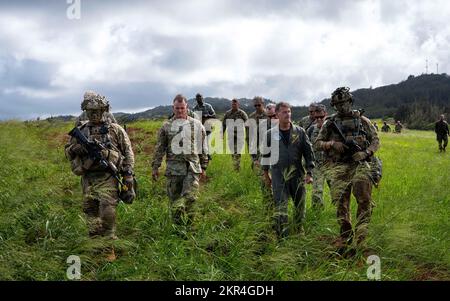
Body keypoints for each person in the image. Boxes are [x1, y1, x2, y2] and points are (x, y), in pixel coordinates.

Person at [65, 91, 135, 260]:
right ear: (85, 111)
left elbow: (128, 152)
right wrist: (75, 149)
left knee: (107, 211)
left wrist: (128, 176)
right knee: (90, 211)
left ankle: (109, 246)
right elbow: (68, 153)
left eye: (98, 110)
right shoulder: (80, 130)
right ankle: (94, 245)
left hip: (108, 177)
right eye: (91, 111)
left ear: (104, 110)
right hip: (88, 178)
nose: (95, 114)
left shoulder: (115, 130)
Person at [315, 87, 380, 256]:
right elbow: (317, 143)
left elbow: (375, 141)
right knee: (341, 205)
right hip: (339, 168)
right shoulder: (330, 123)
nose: (341, 107)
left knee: (364, 202)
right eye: (337, 104)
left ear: (350, 102)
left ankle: (361, 237)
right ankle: (345, 236)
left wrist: (365, 153)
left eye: (343, 103)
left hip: (360, 167)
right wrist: (332, 144)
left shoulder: (363, 120)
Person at [152, 94, 209, 227]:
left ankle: (190, 227)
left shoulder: (196, 125)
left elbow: (203, 147)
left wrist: (204, 166)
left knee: (191, 199)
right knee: (175, 202)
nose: (179, 111)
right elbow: (160, 148)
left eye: (182, 108)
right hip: (174, 170)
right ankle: (178, 230)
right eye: (177, 108)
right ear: (173, 108)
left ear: (186, 107)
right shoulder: (166, 126)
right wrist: (155, 167)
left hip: (192, 168)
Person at [261, 102, 315, 238]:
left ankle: (298, 231)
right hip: (278, 175)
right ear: (277, 114)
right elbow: (265, 155)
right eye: (284, 112)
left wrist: (309, 172)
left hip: (297, 174)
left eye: (289, 111)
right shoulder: (270, 134)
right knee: (281, 205)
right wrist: (266, 175)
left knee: (300, 204)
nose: (288, 114)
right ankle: (282, 236)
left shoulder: (300, 132)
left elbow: (309, 154)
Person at [246, 96, 273, 209]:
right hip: (259, 153)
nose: (257, 107)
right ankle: (268, 205)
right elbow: (249, 138)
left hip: (273, 151)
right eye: (255, 105)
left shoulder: (270, 116)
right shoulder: (251, 118)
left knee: (276, 179)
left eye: (259, 105)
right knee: (264, 179)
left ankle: (278, 204)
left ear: (263, 104)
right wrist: (253, 157)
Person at [306, 104, 331, 210]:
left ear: (326, 115)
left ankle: (342, 215)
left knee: (338, 190)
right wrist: (308, 171)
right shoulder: (311, 130)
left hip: (332, 164)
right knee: (317, 192)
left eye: (321, 117)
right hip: (317, 166)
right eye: (316, 117)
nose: (319, 119)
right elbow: (307, 151)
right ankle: (317, 214)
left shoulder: (333, 128)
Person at [222, 99, 248, 171]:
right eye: (233, 104)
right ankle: (235, 166)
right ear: (231, 105)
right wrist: (222, 134)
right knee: (232, 151)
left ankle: (237, 168)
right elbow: (223, 124)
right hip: (230, 135)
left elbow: (247, 124)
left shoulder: (242, 113)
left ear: (238, 105)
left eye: (235, 104)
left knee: (238, 151)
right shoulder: (228, 113)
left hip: (240, 135)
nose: (234, 105)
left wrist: (248, 135)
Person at [193, 93, 216, 160]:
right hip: (198, 128)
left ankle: (208, 156)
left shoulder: (208, 106)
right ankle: (201, 157)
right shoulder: (194, 108)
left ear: (202, 98)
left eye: (200, 97)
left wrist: (207, 115)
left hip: (207, 127)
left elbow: (214, 115)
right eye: (197, 98)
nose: (199, 99)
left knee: (207, 142)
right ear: (196, 99)